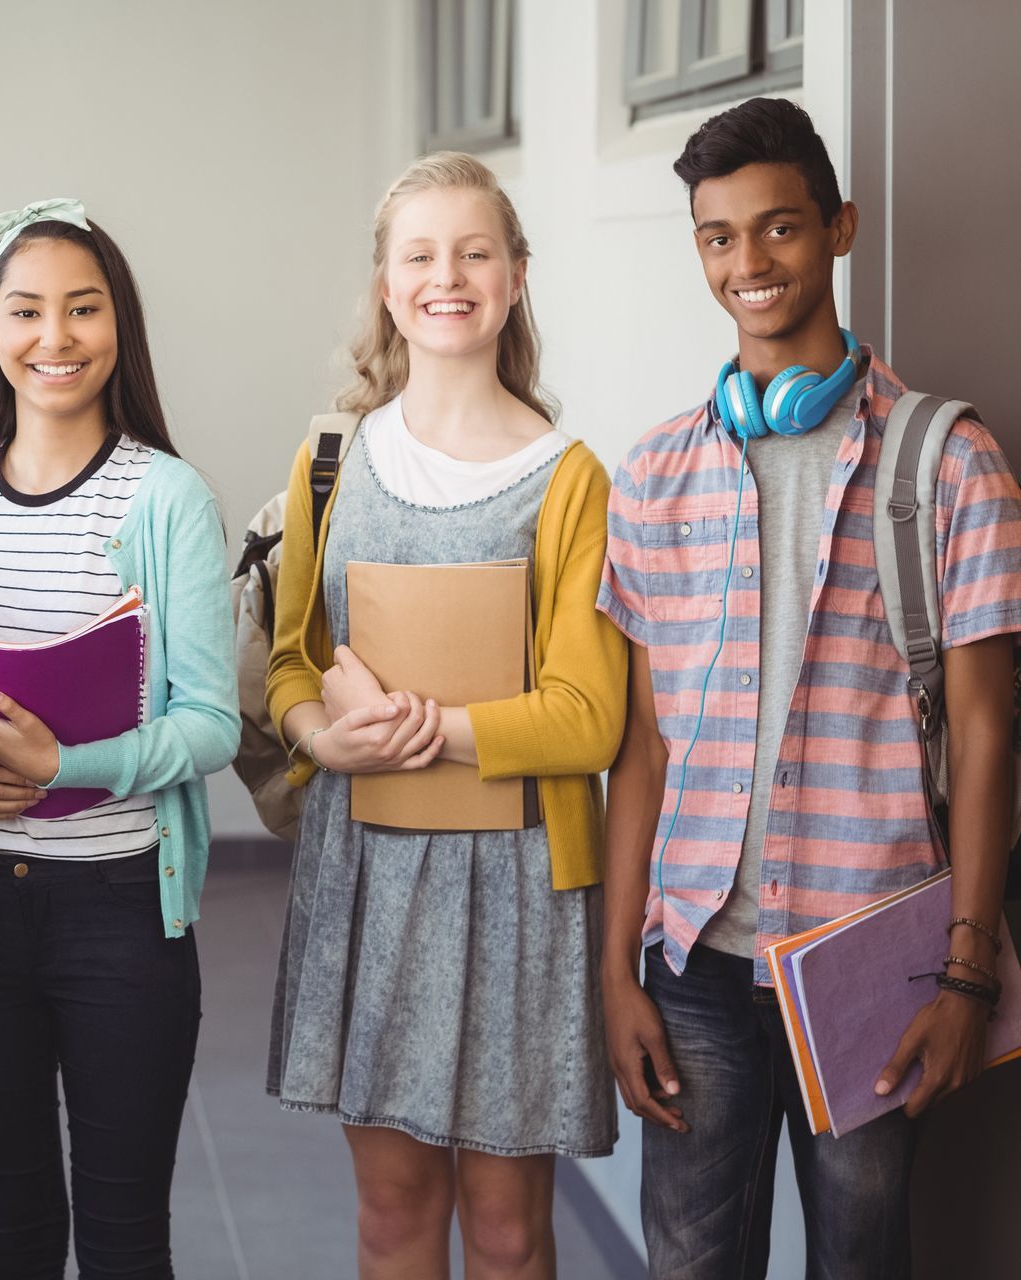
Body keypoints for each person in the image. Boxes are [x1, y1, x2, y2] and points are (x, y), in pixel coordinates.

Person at [599, 97, 1021, 1279]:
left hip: (872, 961)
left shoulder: (950, 459)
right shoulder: (656, 473)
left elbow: (990, 732)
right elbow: (643, 744)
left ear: (838, 229)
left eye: (778, 229)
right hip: (692, 967)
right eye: (720, 236)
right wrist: (614, 972)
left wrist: (968, 970)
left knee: (861, 1260)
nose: (750, 263)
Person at [265, 152, 626, 1279]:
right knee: (392, 1214)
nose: (447, 276)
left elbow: (587, 719)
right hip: (366, 871)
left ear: (516, 278)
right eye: (419, 254)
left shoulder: (572, 477)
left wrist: (425, 726)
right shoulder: (330, 459)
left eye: (475, 252)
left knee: (511, 1231)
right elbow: (291, 665)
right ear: (385, 284)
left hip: (520, 884)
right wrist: (324, 734)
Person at [0, 199, 238, 1279]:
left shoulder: (169, 494)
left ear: (119, 326)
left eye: (83, 309)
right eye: (28, 311)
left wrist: (67, 768)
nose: (56, 337)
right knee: (12, 1231)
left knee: (128, 1237)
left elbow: (211, 721)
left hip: (121, 909)